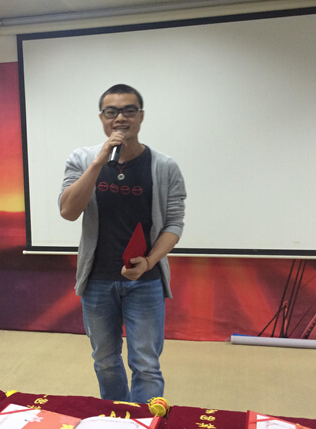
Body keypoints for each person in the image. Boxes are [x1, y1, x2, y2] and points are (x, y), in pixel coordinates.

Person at [58, 84, 186, 404]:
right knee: (105, 361)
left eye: (129, 110)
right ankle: (118, 419)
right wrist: (98, 163)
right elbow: (68, 211)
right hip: (97, 281)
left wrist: (150, 261)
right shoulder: (82, 159)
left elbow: (174, 224)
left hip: (146, 281)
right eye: (111, 112)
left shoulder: (164, 166)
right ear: (102, 118)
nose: (120, 118)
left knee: (146, 365)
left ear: (140, 116)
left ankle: (143, 422)